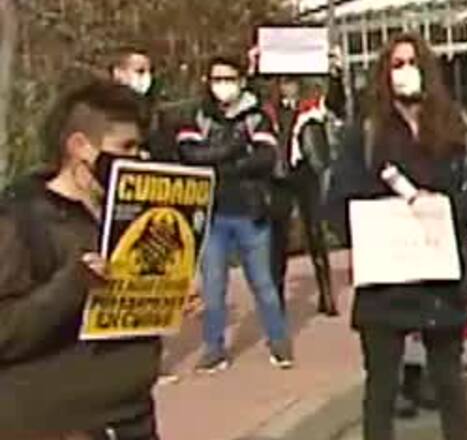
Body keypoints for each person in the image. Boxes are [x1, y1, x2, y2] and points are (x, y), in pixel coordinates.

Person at [0, 82, 161, 440]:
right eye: (129, 147)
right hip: (52, 428)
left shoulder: (134, 214)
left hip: (128, 417)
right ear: (80, 147)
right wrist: (74, 284)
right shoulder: (23, 219)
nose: (140, 160)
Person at [328, 34, 467, 440]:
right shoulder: (363, 133)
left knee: (450, 383)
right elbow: (338, 201)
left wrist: (440, 208)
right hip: (387, 278)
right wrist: (377, 224)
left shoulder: (459, 128)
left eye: (413, 63)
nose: (405, 71)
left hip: (443, 275)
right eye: (396, 64)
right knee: (380, 391)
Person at [176, 55, 293, 371]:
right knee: (214, 287)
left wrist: (220, 162)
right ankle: (214, 349)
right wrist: (233, 151)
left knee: (263, 283)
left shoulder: (257, 116)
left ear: (241, 81)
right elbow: (189, 154)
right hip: (212, 214)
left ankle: (279, 342)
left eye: (229, 78)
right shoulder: (198, 116)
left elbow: (266, 158)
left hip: (250, 211)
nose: (222, 86)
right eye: (216, 79)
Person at [266, 78, 339, 317]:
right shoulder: (270, 110)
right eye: (285, 82)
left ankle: (326, 293)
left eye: (292, 82)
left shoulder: (311, 108)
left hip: (305, 172)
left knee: (315, 230)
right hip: (279, 176)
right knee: (278, 238)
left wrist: (335, 74)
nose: (289, 88)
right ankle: (276, 298)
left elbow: (337, 102)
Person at [107, 47, 173, 160]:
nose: (147, 77)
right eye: (140, 71)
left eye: (150, 72)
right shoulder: (100, 107)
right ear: (118, 72)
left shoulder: (157, 111)